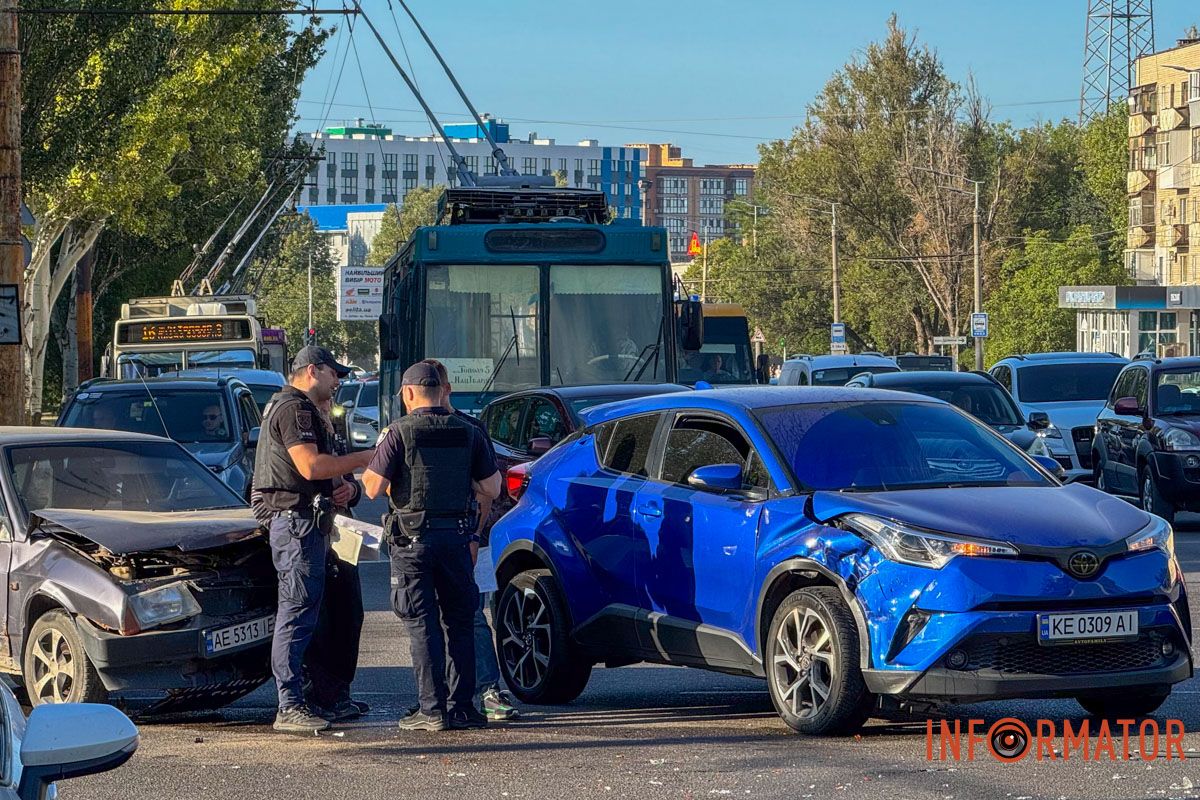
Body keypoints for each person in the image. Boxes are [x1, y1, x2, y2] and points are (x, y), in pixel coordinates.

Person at [362, 362, 501, 732]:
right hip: (456, 539)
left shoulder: (399, 433)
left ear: (408, 394)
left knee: (422, 626)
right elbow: (492, 488)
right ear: (443, 390)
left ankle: (431, 709)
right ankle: (463, 708)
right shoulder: (469, 431)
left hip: (412, 542)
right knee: (460, 623)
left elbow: (372, 488)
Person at [252, 346, 374, 734]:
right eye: (333, 373)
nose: (338, 381)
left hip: (317, 520)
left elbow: (330, 472)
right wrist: (364, 458)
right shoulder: (293, 408)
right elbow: (310, 466)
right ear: (311, 371)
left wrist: (347, 489)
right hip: (297, 521)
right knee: (298, 612)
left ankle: (328, 697)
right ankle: (290, 704)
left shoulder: (315, 412)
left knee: (338, 611)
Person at [421, 359, 520, 722]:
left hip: (467, 537)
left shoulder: (469, 428)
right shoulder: (408, 429)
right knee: (427, 620)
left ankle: (487, 690)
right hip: (428, 539)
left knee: (473, 616)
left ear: (446, 390)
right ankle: (436, 698)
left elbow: (487, 492)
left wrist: (475, 537)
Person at [301, 396, 369, 721]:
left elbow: (351, 482)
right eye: (324, 405)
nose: (329, 408)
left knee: (350, 612)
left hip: (343, 529)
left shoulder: (334, 435)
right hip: (314, 531)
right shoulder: (301, 439)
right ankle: (320, 694)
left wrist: (350, 491)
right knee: (322, 619)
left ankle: (341, 691)